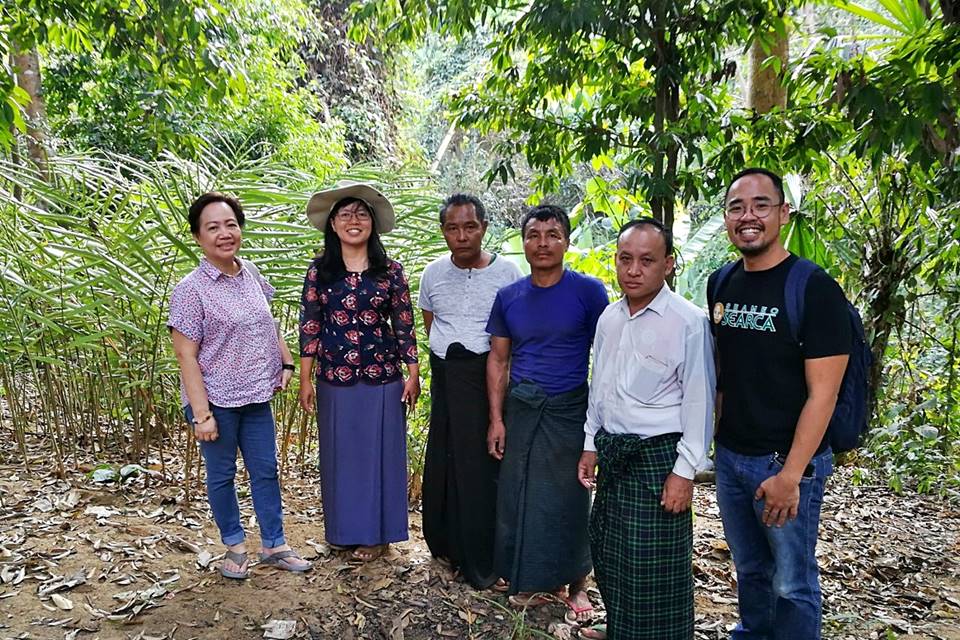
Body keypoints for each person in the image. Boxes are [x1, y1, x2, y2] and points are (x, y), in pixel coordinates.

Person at [708, 168, 850, 639]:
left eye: (761, 205)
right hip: (731, 457)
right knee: (750, 568)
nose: (748, 216)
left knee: (791, 581)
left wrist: (790, 475)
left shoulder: (814, 288)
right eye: (736, 207)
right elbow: (725, 372)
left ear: (783, 214)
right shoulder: (721, 282)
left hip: (786, 463)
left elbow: (823, 394)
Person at [577, 219, 715, 640]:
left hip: (660, 458)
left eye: (647, 261)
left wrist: (684, 471)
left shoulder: (688, 322)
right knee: (611, 551)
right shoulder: (609, 318)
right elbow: (599, 386)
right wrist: (590, 443)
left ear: (668, 264)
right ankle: (621, 627)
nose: (634, 270)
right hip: (615, 452)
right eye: (625, 259)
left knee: (654, 562)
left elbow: (699, 401)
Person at [168, 192, 312, 579]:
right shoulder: (190, 289)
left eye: (230, 224)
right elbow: (185, 356)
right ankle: (233, 546)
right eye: (212, 227)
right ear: (198, 237)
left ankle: (274, 544)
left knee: (266, 470)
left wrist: (284, 359)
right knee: (222, 476)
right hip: (215, 401)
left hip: (256, 396)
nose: (224, 233)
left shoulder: (249, 273)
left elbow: (266, 323)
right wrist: (202, 415)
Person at [485, 204, 609, 623]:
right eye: (534, 235)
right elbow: (499, 362)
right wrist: (497, 419)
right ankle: (529, 578)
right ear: (523, 243)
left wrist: (597, 426)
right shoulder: (509, 297)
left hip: (570, 408)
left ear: (567, 242)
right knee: (521, 494)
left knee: (572, 495)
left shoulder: (589, 292)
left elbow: (606, 357)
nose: (543, 243)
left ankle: (578, 584)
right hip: (523, 407)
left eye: (552, 234)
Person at [298, 181, 420, 562]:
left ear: (373, 225)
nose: (354, 221)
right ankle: (343, 531)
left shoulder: (390, 271)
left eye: (361, 214)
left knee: (379, 455)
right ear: (332, 225)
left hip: (382, 376)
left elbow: (403, 322)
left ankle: (377, 536)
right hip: (334, 376)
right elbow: (310, 324)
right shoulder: (320, 271)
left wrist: (413, 372)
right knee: (342, 455)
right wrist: (305, 377)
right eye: (345, 215)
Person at [419, 193, 522, 590]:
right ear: (443, 231)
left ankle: (483, 558)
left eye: (470, 226)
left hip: (487, 381)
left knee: (481, 466)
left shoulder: (508, 273)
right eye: (452, 228)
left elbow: (512, 337)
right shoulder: (433, 273)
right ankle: (445, 546)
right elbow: (432, 323)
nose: (461, 235)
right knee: (446, 461)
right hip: (447, 376)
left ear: (484, 228)